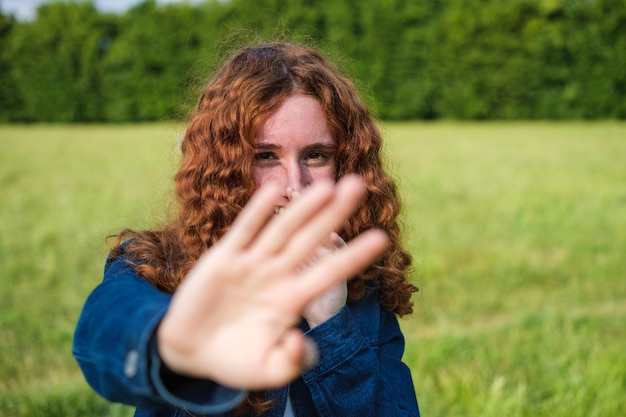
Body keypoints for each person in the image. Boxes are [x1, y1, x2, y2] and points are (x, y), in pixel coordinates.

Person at [73, 42, 420, 417]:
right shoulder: (157, 263)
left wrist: (332, 326)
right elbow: (102, 330)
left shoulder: (361, 288)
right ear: (224, 166)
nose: (295, 186)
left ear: (345, 164)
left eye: (316, 155)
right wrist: (169, 343)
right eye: (265, 156)